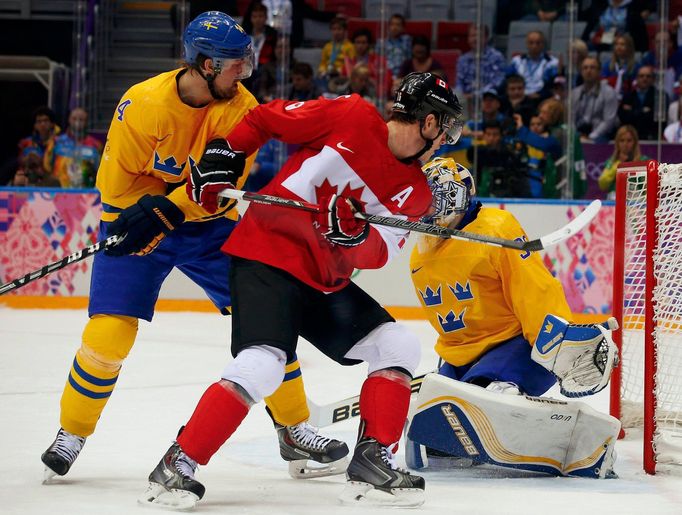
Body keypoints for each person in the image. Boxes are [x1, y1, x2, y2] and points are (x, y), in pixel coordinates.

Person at [40, 11, 348, 485]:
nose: (245, 75)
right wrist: (152, 212)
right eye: (235, 66)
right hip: (136, 221)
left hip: (210, 228)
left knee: (268, 323)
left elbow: (223, 189)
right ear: (205, 65)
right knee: (108, 336)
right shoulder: (142, 104)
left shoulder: (244, 108)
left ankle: (293, 428)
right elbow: (116, 187)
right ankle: (72, 432)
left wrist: (171, 206)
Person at [141, 72, 464, 509]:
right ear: (428, 123)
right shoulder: (350, 113)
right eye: (445, 127)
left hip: (323, 278)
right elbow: (265, 119)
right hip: (265, 254)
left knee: (398, 346)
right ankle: (177, 465)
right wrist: (227, 151)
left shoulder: (417, 192)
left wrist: (354, 238)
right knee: (263, 365)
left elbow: (379, 252)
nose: (446, 139)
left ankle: (372, 460)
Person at [404, 157, 620, 477]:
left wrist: (555, 340)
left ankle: (564, 442)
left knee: (490, 399)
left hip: (518, 347)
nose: (426, 208)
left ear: (454, 195)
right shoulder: (420, 253)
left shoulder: (495, 228)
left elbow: (531, 287)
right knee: (425, 433)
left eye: (433, 198)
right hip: (462, 358)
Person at [43, 107, 103, 188]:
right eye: (74, 119)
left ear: (87, 122)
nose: (77, 122)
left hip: (87, 195)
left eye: (81, 120)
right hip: (59, 193)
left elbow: (101, 172)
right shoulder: (56, 142)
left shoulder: (96, 145)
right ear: (69, 120)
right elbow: (47, 169)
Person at [570, 56, 619, 143]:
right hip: (579, 134)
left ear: (599, 71)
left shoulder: (609, 92)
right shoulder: (575, 93)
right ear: (581, 72)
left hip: (600, 135)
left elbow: (608, 121)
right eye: (585, 68)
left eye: (592, 68)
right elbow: (571, 119)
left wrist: (591, 137)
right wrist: (575, 136)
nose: (588, 71)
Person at [618, 65, 668, 141]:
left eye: (648, 76)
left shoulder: (660, 96)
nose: (644, 78)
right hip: (630, 137)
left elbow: (659, 121)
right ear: (637, 78)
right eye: (641, 76)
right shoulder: (628, 96)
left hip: (652, 137)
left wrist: (633, 111)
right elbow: (623, 118)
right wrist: (643, 111)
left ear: (653, 79)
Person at [506, 30, 558, 100]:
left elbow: (553, 85)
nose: (534, 46)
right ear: (526, 44)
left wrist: (540, 94)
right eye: (531, 43)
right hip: (519, 96)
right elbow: (509, 79)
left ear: (543, 44)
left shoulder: (552, 62)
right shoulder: (516, 61)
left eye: (538, 43)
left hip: (541, 97)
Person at [597, 124, 648, 195]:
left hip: (637, 202)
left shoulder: (643, 161)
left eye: (629, 140)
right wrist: (619, 165)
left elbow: (648, 189)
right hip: (614, 201)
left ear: (635, 142)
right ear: (617, 143)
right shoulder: (612, 161)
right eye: (622, 140)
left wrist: (637, 168)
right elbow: (602, 184)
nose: (625, 144)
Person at [600, 33, 639, 100]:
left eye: (622, 44)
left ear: (629, 47)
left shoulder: (636, 66)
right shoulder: (607, 65)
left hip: (628, 100)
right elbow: (602, 84)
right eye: (616, 44)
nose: (619, 47)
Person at [317, 17, 354, 81]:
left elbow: (351, 64)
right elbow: (323, 63)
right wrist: (322, 71)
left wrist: (338, 71)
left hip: (342, 76)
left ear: (345, 31)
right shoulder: (327, 46)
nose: (336, 32)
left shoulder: (350, 46)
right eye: (334, 29)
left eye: (339, 29)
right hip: (328, 74)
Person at [376, 13, 412, 78]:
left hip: (403, 77)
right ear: (388, 27)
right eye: (392, 24)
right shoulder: (381, 43)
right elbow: (377, 63)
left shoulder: (407, 41)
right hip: (385, 77)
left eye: (398, 25)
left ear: (403, 28)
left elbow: (410, 61)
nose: (394, 27)